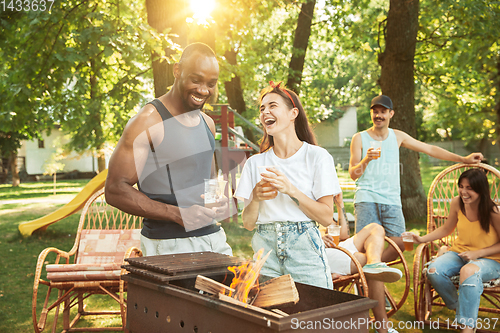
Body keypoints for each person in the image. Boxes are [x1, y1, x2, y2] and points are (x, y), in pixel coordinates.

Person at [105, 42, 232, 257]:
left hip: (213, 238)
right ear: (177, 71)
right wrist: (177, 214)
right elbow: (115, 189)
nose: (203, 90)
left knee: (239, 290)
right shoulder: (147, 121)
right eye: (196, 80)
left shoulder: (207, 123)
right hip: (168, 244)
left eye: (211, 83)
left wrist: (218, 201)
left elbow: (209, 183)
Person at [349, 94, 483, 260]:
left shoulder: (397, 136)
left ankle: (374, 265)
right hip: (366, 198)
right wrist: (367, 159)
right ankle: (369, 273)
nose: (378, 115)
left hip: (391, 200)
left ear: (391, 114)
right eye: (375, 111)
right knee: (363, 247)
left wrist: (463, 159)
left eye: (383, 111)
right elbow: (353, 174)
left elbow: (430, 149)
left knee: (400, 245)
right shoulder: (359, 138)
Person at [234, 81, 339, 289]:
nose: (265, 112)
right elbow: (247, 223)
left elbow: (327, 217)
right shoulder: (255, 163)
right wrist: (255, 197)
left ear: (293, 113)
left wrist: (290, 189)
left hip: (305, 251)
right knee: (271, 318)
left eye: (273, 106)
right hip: (265, 254)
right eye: (262, 108)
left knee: (314, 318)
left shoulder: (317, 157)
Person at [405, 169, 500, 333]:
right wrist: (421, 239)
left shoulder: (493, 211)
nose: (464, 192)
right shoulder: (457, 203)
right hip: (459, 253)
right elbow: (447, 228)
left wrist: (477, 254)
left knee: (468, 271)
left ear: (480, 189)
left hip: (490, 260)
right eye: (461, 186)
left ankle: (467, 329)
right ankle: (461, 309)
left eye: (469, 188)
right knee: (433, 271)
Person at [324, 193, 402, 333]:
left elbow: (343, 235)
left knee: (375, 228)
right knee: (367, 262)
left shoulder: (320, 198)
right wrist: (319, 238)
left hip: (336, 246)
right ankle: (383, 328)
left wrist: (339, 204)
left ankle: (374, 264)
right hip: (321, 252)